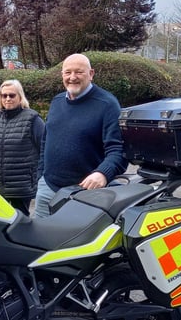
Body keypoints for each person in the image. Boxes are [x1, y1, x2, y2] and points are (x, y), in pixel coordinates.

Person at [34, 53, 128, 218]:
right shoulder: (56, 102)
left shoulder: (107, 105)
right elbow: (45, 141)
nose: (72, 77)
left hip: (86, 194)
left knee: (79, 243)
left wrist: (103, 173)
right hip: (48, 189)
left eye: (79, 72)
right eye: (67, 72)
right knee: (40, 241)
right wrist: (41, 175)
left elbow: (119, 150)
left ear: (91, 74)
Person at [0, 79, 45, 216]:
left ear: (20, 97)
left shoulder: (33, 119)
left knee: (21, 223)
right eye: (3, 95)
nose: (7, 99)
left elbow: (43, 148)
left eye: (12, 95)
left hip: (21, 186)